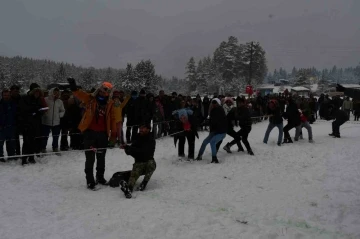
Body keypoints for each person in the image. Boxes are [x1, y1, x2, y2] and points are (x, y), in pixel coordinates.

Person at [67, 78, 117, 190]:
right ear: (99, 90)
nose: (102, 93)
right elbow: (80, 94)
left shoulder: (110, 104)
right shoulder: (90, 99)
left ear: (109, 93)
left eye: (106, 91)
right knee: (90, 158)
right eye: (101, 90)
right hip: (90, 133)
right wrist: (73, 87)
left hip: (103, 134)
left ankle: (100, 177)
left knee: (101, 157)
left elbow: (113, 119)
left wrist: (113, 134)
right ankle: (90, 181)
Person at [119, 124, 156, 199]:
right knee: (133, 176)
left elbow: (144, 152)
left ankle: (144, 183)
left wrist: (130, 148)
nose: (141, 130)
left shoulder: (151, 139)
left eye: (143, 128)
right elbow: (131, 152)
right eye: (140, 128)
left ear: (148, 129)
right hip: (138, 163)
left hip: (148, 162)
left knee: (151, 164)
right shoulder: (137, 138)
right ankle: (128, 189)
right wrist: (126, 148)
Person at [19, 83, 47, 165]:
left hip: (36, 124)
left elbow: (40, 110)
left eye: (38, 92)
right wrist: (34, 110)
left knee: (33, 142)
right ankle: (24, 159)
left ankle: (31, 157)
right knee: (26, 142)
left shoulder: (39, 99)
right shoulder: (24, 98)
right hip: (26, 124)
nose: (37, 94)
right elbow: (23, 110)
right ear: (32, 91)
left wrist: (39, 111)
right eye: (36, 92)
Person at [196, 98, 227, 164]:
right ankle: (199, 156)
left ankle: (214, 158)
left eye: (215, 103)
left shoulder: (219, 110)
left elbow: (215, 121)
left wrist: (206, 123)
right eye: (212, 103)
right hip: (215, 131)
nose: (213, 104)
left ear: (218, 103)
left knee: (212, 142)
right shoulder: (213, 110)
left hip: (221, 132)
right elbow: (212, 120)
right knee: (205, 142)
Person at [41, 87, 65, 155]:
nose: (56, 94)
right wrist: (45, 114)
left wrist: (59, 115)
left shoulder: (60, 101)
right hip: (46, 121)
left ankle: (55, 148)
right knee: (45, 136)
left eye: (58, 92)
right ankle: (43, 148)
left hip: (56, 122)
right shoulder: (46, 100)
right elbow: (42, 109)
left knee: (56, 136)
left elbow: (63, 110)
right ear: (51, 92)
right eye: (55, 92)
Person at [0, 89, 17, 161]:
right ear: (2, 95)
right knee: (0, 143)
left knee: (11, 143)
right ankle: (0, 157)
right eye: (4, 95)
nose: (6, 96)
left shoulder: (13, 103)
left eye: (7, 95)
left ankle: (11, 156)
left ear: (9, 95)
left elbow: (16, 115)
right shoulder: (0, 104)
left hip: (11, 127)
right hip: (1, 128)